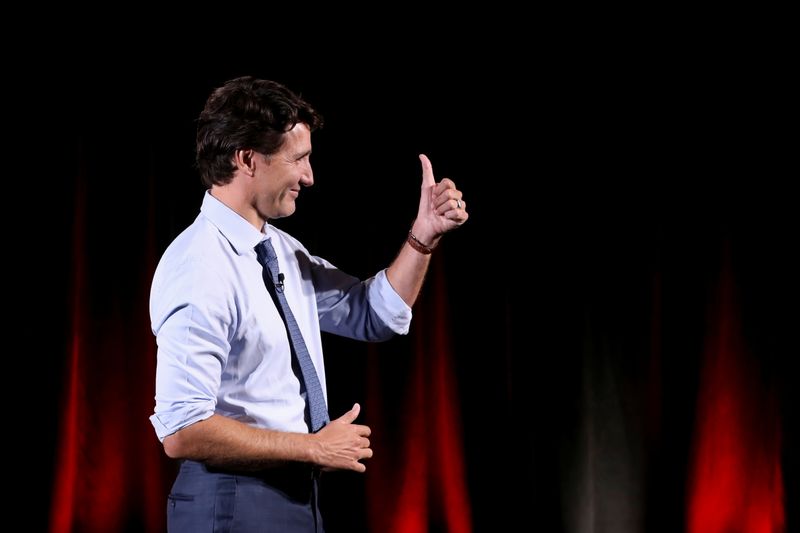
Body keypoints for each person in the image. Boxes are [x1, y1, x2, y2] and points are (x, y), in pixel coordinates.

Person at [148, 76, 468, 532]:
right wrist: (313, 447)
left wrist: (423, 237)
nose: (309, 176)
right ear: (247, 160)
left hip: (296, 498)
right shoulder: (199, 266)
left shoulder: (280, 250)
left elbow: (371, 314)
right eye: (298, 158)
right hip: (231, 503)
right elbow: (183, 430)